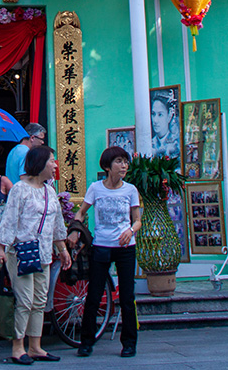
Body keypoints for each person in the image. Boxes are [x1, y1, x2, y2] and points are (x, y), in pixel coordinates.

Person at [0, 145, 72, 365]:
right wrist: (1, 247)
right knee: (25, 300)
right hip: (22, 252)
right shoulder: (20, 189)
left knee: (39, 300)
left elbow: (56, 224)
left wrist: (62, 249)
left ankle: (36, 346)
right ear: (39, 163)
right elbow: (9, 220)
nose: (55, 165)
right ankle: (18, 347)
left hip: (44, 252)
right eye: (51, 161)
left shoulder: (49, 190)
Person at [68, 145, 141, 358]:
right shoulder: (95, 188)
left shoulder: (130, 190)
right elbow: (81, 213)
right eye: (119, 161)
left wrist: (130, 230)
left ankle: (129, 343)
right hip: (101, 246)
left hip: (126, 249)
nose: (124, 165)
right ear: (107, 167)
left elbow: (137, 220)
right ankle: (86, 342)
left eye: (125, 161)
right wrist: (74, 230)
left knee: (127, 297)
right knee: (94, 295)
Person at [150, 95, 179, 160]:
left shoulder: (176, 143)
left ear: (169, 116)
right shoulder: (151, 143)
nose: (155, 120)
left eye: (160, 114)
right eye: (153, 114)